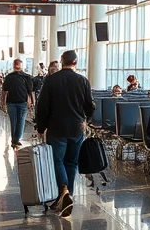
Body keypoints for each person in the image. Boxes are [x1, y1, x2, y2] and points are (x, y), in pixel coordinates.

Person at [34, 50, 96, 218]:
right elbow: (90, 105)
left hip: (57, 128)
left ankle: (64, 192)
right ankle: (68, 197)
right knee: (71, 163)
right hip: (76, 128)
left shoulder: (51, 80)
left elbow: (43, 106)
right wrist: (86, 119)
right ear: (75, 62)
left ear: (62, 62)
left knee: (57, 161)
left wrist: (41, 127)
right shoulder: (83, 81)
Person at [1, 59, 35, 149]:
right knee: (17, 121)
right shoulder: (17, 77)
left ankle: (16, 139)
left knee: (19, 121)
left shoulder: (24, 77)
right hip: (15, 103)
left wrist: (32, 103)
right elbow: (4, 91)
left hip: (19, 103)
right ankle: (15, 139)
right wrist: (3, 103)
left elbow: (31, 92)